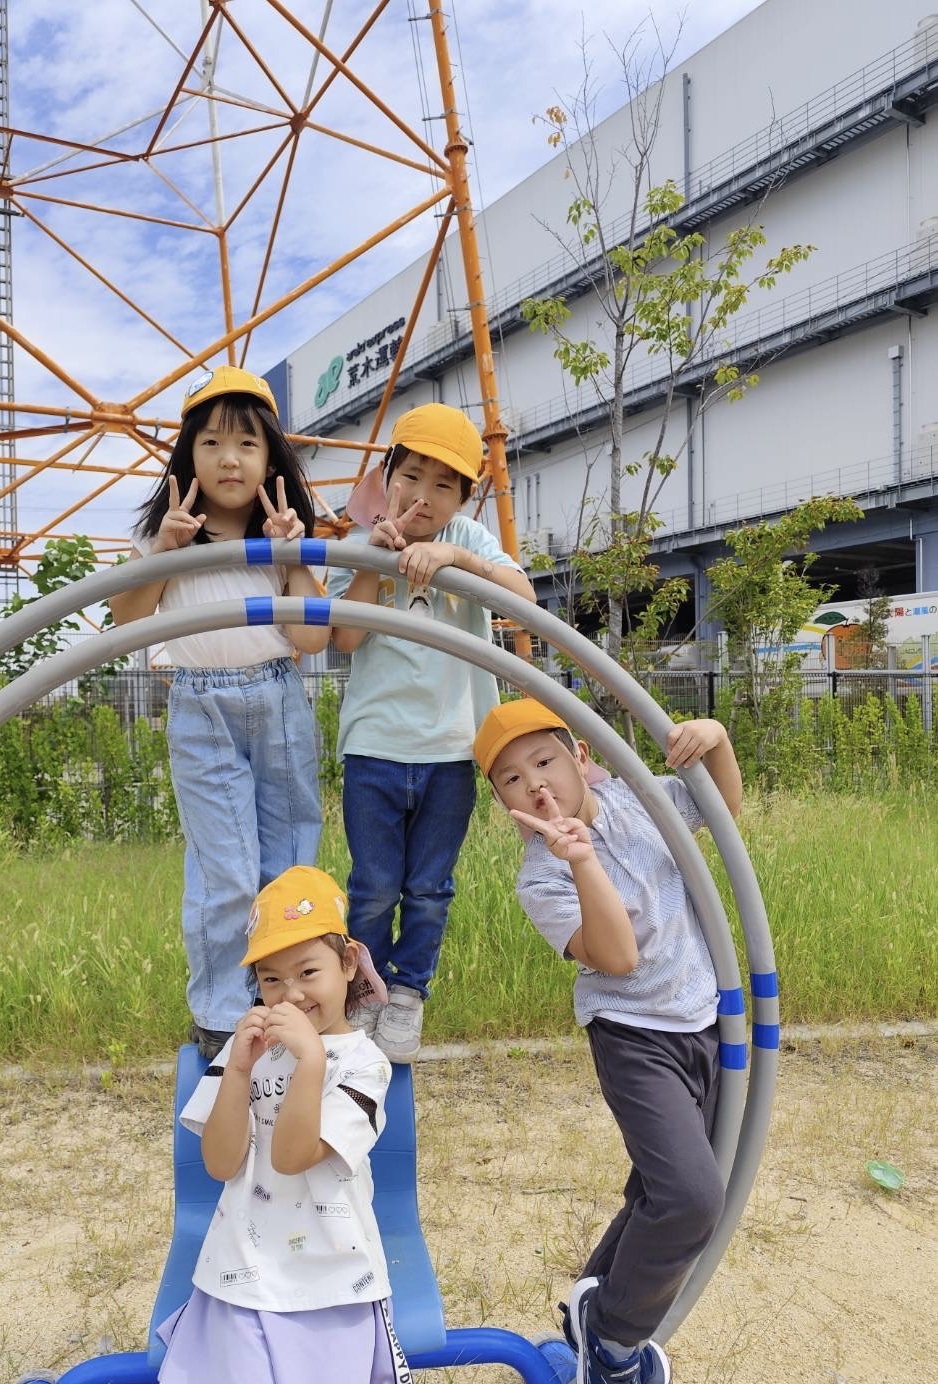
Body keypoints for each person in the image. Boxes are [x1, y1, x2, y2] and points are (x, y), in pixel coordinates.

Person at [472, 697, 743, 1384]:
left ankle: (590, 1308)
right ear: (502, 804)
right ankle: (617, 1343)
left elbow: (723, 814)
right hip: (632, 1036)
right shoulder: (541, 876)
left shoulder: (636, 801)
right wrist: (581, 861)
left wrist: (714, 740)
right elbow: (615, 957)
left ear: (582, 758)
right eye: (510, 779)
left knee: (661, 1190)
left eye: (544, 761)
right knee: (689, 1199)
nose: (534, 783)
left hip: (702, 1020)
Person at [109, 366, 328, 1058]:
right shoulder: (163, 541)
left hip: (277, 697)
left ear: (271, 460)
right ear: (187, 459)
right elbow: (125, 621)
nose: (228, 459)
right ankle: (217, 1013)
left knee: (289, 858)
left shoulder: (279, 538)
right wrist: (165, 553)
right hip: (200, 704)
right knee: (224, 868)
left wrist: (293, 556)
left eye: (245, 445)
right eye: (210, 444)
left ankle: (292, 995)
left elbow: (313, 637)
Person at [326, 402, 536, 1061]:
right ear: (386, 477)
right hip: (374, 748)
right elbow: (345, 636)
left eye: (443, 485)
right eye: (410, 477)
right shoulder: (358, 545)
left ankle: (408, 993)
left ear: (461, 500)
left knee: (428, 888)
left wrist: (448, 557)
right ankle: (362, 995)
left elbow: (522, 601)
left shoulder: (468, 542)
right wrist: (375, 563)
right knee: (374, 884)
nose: (422, 495)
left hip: (450, 750)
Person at [156, 865, 408, 1384]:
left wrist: (311, 1062)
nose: (290, 994)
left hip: (333, 1279)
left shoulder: (365, 1064)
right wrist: (240, 1069)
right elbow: (221, 1162)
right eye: (272, 979)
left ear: (348, 965)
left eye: (308, 972)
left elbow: (291, 1157)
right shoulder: (244, 1052)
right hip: (240, 1272)